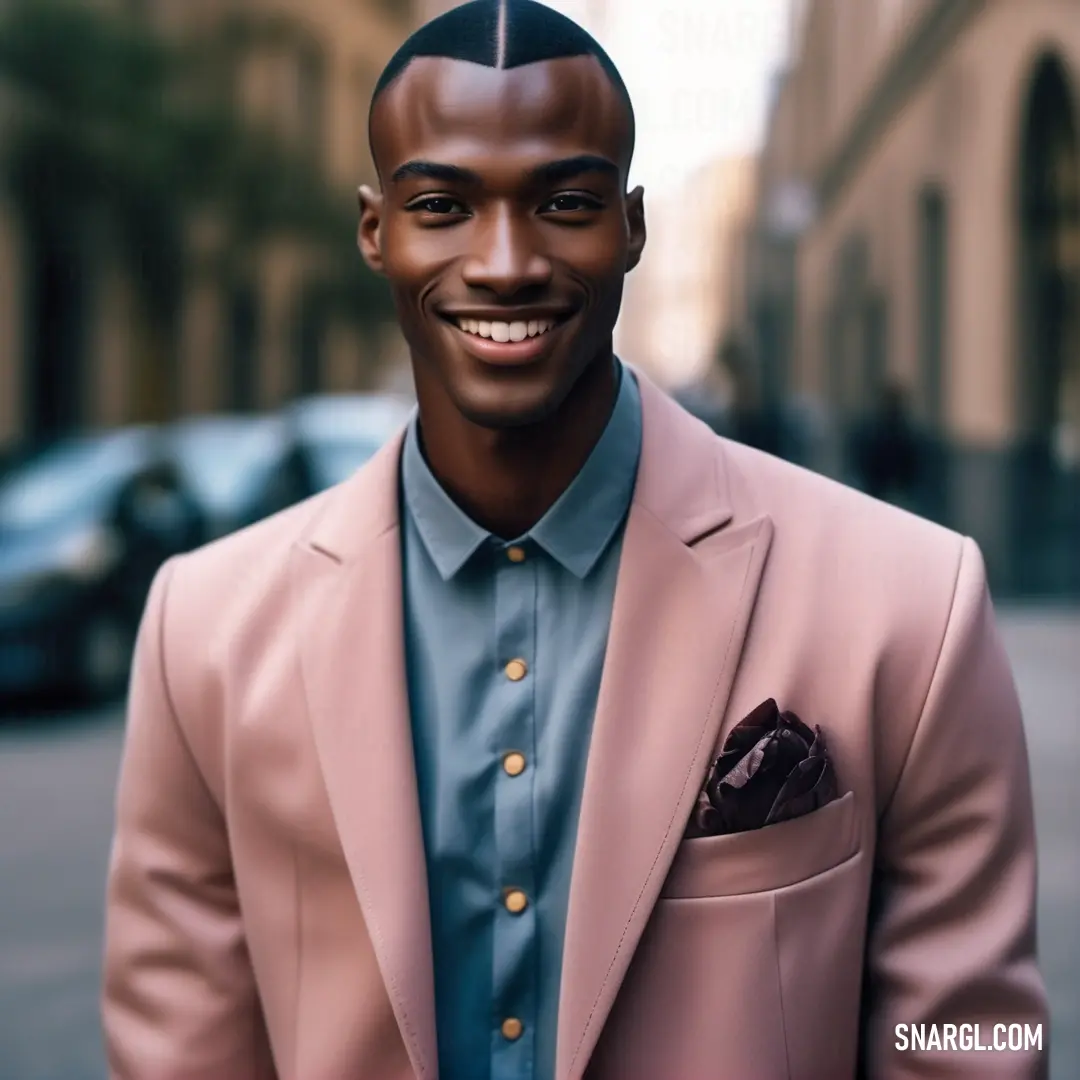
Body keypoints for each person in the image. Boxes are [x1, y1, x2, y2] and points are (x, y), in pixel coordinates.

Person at [101, 3, 1048, 1078]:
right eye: (442, 205)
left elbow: (977, 1035)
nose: (505, 262)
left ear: (634, 227)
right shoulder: (204, 634)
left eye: (564, 201)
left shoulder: (911, 605)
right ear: (376, 232)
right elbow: (180, 1047)